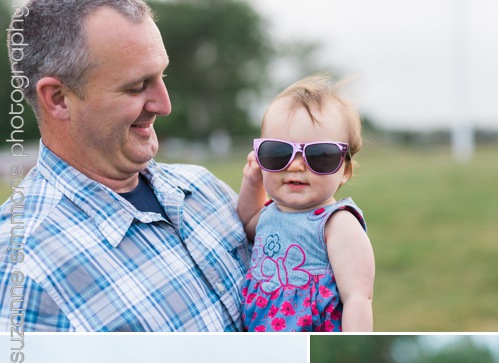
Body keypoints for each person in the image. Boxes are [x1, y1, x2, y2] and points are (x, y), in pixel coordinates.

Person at [0, 0, 248, 332]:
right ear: (58, 99)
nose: (165, 104)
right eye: (135, 87)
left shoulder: (206, 188)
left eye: (162, 75)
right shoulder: (19, 269)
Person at [237, 75, 375, 332]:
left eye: (320, 155)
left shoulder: (337, 223)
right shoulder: (269, 213)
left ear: (344, 170)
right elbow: (247, 221)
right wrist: (253, 182)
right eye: (277, 154)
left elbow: (358, 297)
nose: (296, 165)